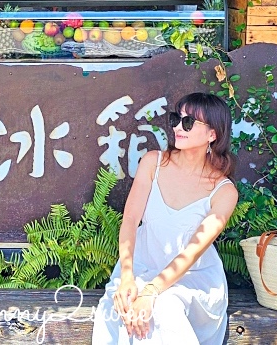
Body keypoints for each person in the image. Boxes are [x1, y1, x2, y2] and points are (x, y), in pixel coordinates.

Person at [92, 92, 239, 344]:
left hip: (192, 280)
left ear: (212, 134)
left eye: (189, 122)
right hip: (140, 266)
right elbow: (130, 220)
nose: (178, 128)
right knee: (118, 306)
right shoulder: (153, 162)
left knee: (164, 307)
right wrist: (127, 276)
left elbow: (191, 254)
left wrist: (151, 292)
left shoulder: (224, 191)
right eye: (176, 119)